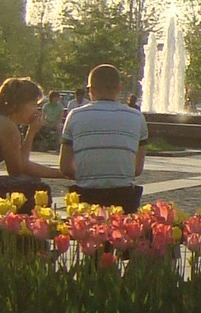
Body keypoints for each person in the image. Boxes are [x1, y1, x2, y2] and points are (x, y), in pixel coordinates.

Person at [60, 64, 148, 208]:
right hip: (124, 197)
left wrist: (88, 176)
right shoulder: (137, 117)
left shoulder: (75, 116)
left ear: (91, 90)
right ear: (119, 89)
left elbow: (65, 168)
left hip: (87, 195)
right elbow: (137, 170)